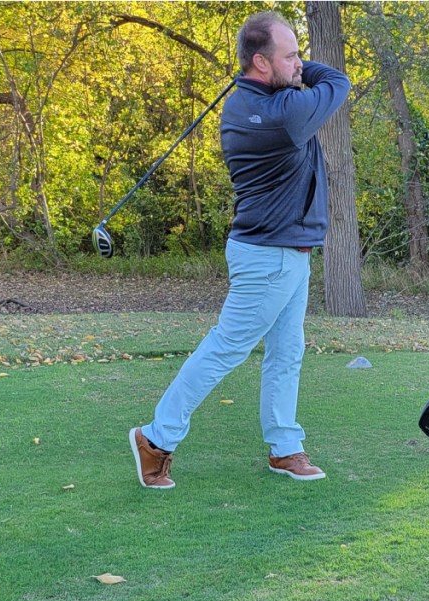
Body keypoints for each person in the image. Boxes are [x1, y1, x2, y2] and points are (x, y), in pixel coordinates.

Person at [130, 11, 351, 489]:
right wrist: (296, 71)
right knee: (225, 349)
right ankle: (156, 437)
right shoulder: (282, 114)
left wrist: (286, 66)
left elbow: (311, 77)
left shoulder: (253, 101)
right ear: (260, 62)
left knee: (286, 353)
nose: (299, 63)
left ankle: (285, 446)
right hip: (267, 256)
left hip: (289, 252)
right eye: (290, 55)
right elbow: (337, 79)